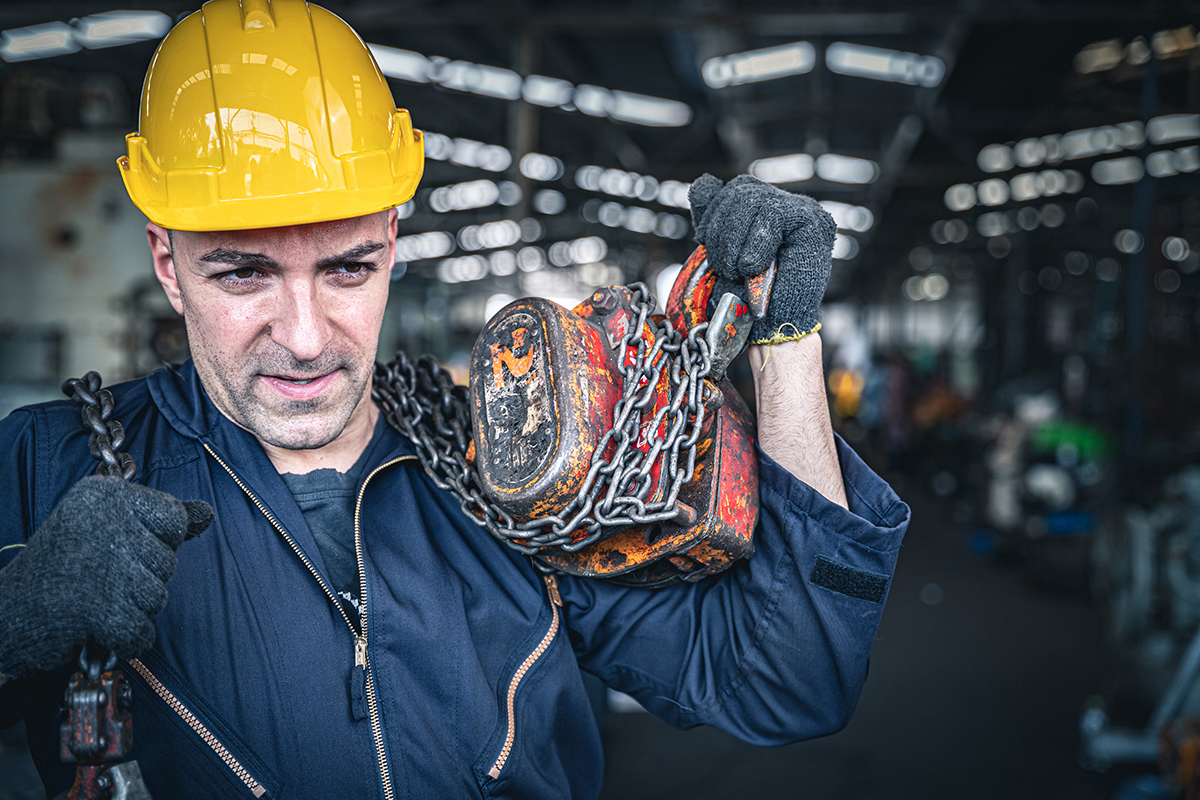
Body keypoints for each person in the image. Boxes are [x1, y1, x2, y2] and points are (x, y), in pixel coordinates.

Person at [0, 1, 910, 798]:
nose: (308, 335)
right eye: (244, 275)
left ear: (393, 239)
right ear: (168, 263)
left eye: (348, 268)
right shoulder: (45, 468)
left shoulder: (510, 471)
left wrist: (784, 338)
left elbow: (790, 679)